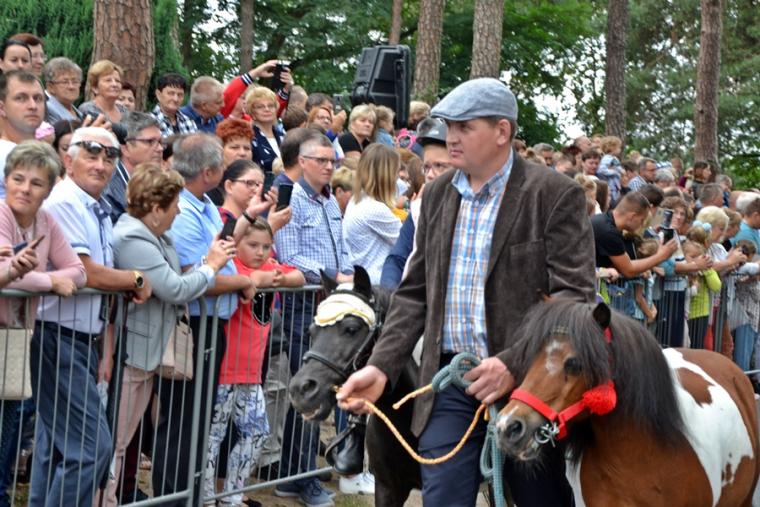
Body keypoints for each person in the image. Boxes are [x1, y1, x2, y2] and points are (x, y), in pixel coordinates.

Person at [337, 78, 594, 507]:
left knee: (538, 498)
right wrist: (381, 367)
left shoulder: (554, 194)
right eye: (449, 126)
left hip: (530, 386)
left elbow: (575, 295)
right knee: (443, 497)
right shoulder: (438, 194)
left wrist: (512, 363)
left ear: (502, 131)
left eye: (464, 127)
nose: (450, 136)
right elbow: (414, 293)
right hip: (450, 382)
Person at [103, 163, 235, 507]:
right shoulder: (132, 237)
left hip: (147, 353)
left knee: (123, 440)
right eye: (175, 204)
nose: (178, 211)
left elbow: (174, 279)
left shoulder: (157, 236)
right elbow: (175, 289)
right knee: (115, 442)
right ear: (156, 207)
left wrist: (205, 265)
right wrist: (211, 266)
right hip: (132, 352)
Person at [34, 126, 152, 505]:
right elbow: (88, 272)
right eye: (91, 154)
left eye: (109, 157)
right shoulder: (65, 201)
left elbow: (99, 280)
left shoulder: (94, 206)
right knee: (90, 447)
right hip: (56, 334)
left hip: (82, 337)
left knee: (57, 448)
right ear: (69, 160)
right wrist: (135, 278)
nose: (101, 164)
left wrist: (106, 346)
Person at [152, 132, 256, 505]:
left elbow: (219, 255)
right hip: (194, 326)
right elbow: (195, 277)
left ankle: (189, 496)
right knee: (182, 420)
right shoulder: (181, 210)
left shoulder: (205, 204)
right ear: (209, 172)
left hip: (214, 326)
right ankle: (172, 498)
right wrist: (242, 281)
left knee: (197, 421)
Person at [0, 141, 85, 507]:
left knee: (7, 434)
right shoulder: (1, 215)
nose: (25, 188)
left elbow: (78, 271)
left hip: (16, 340)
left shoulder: (46, 221)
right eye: (18, 179)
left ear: (48, 190)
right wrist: (49, 280)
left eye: (36, 183)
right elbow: (4, 274)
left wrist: (27, 276)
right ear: (6, 180)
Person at [273, 133, 353, 506]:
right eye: (321, 160)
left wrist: (348, 274)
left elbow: (342, 248)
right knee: (309, 390)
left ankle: (298, 474)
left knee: (317, 392)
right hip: (302, 307)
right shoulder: (292, 200)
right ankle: (300, 477)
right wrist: (334, 276)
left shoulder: (329, 200)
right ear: (302, 162)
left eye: (332, 160)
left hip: (329, 305)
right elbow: (289, 256)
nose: (328, 166)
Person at [205, 217, 304, 507]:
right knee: (213, 436)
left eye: (266, 246)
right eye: (253, 245)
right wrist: (258, 278)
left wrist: (279, 278)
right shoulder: (234, 269)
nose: (261, 252)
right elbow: (245, 279)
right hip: (225, 369)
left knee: (258, 432)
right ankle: (206, 495)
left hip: (251, 374)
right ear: (238, 244)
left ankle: (232, 494)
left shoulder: (269, 268)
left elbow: (299, 277)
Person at [380, 118, 452, 289]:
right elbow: (397, 259)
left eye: (440, 166)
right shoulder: (420, 209)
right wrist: (389, 293)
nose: (430, 174)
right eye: (426, 167)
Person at [343, 144, 402, 284]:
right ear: (386, 175)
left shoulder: (356, 201)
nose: (397, 178)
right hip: (378, 286)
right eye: (396, 172)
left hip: (366, 282)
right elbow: (409, 241)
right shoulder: (375, 209)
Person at [592, 192, 678, 278]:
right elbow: (629, 270)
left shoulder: (603, 220)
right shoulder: (609, 232)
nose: (642, 224)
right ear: (632, 216)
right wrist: (660, 256)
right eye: (642, 220)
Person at [103, 112, 164, 222]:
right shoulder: (109, 190)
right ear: (125, 148)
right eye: (150, 142)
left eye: (160, 142)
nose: (160, 148)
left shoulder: (158, 182)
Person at [0, 70, 45, 199]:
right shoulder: (4, 154)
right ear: (2, 108)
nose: (33, 106)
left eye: (38, 98)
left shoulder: (41, 151)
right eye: (21, 98)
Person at [246, 86, 285, 173]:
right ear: (252, 112)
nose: (267, 109)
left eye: (270, 106)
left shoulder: (283, 136)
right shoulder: (249, 138)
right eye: (260, 107)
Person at [78, 59, 127, 124]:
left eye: (117, 81)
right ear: (95, 88)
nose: (114, 84)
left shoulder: (123, 109)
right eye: (108, 80)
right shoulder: (88, 109)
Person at [151, 73, 198, 137]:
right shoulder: (149, 122)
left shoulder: (189, 122)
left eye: (180, 95)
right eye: (171, 93)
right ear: (158, 94)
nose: (175, 99)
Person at [43, 57, 83, 124]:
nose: (71, 86)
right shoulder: (47, 109)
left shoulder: (78, 112)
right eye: (65, 82)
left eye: (75, 81)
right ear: (50, 87)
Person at [596, 135, 624, 204]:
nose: (620, 149)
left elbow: (617, 167)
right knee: (612, 202)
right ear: (612, 148)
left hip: (615, 186)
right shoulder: (607, 158)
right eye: (618, 147)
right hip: (610, 185)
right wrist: (614, 172)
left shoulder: (614, 158)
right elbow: (601, 170)